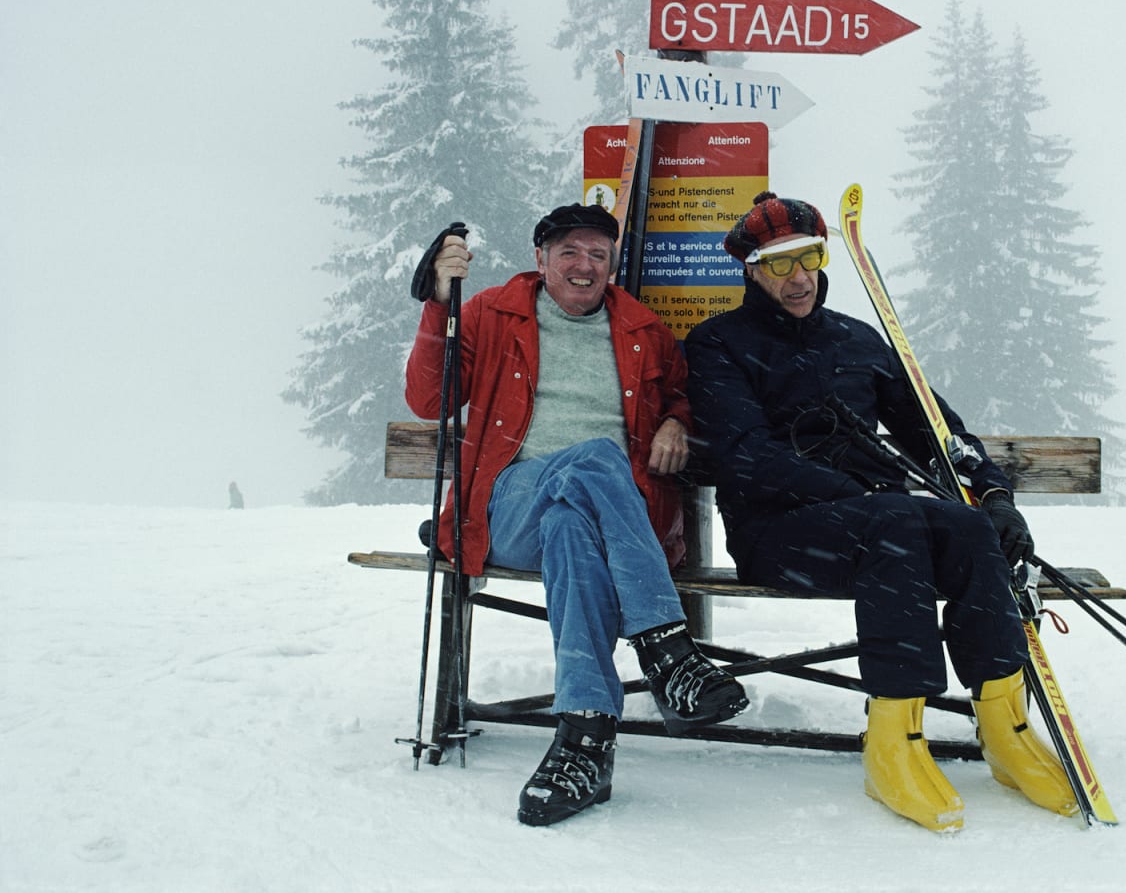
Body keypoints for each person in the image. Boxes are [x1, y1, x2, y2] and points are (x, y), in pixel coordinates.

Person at [684, 191, 1074, 833]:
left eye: (809, 258)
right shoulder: (718, 344)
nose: (799, 277)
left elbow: (936, 429)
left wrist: (994, 495)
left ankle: (1004, 724)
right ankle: (893, 741)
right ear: (751, 270)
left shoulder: (856, 341)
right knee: (895, 525)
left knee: (968, 527)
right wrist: (855, 494)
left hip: (875, 523)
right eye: (779, 264)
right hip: (776, 532)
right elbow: (744, 455)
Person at [404, 203, 747, 828]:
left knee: (571, 527)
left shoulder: (644, 330)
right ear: (541, 259)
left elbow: (683, 398)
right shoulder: (491, 314)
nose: (584, 266)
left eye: (597, 254)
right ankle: (667, 648)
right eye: (569, 252)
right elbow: (430, 400)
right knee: (593, 460)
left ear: (612, 264)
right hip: (506, 508)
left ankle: (585, 741)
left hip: (604, 525)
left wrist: (677, 421)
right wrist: (439, 303)